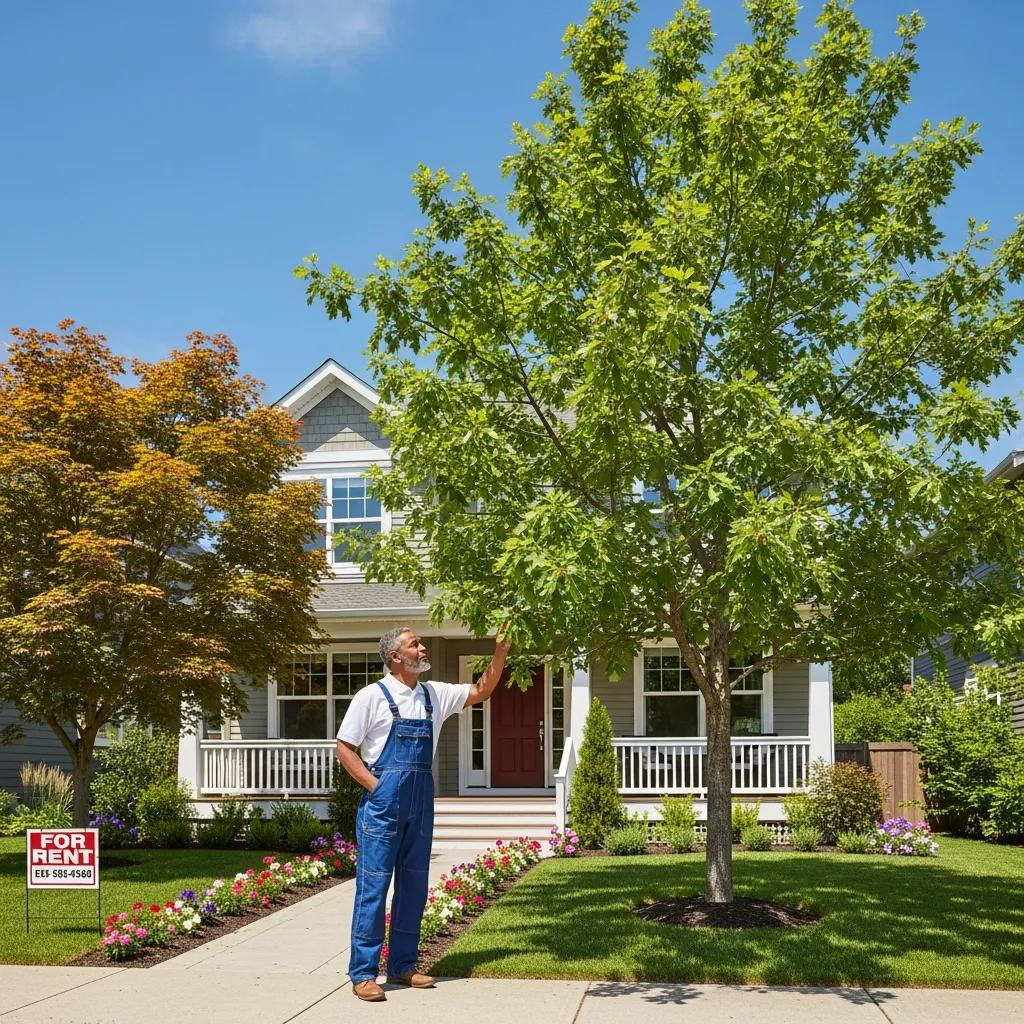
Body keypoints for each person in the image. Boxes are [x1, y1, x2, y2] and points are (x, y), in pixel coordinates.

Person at [336, 625, 511, 1002]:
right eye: (415, 644)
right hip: (382, 805)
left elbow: (482, 690)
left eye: (420, 643)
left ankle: (402, 966)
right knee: (374, 889)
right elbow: (345, 747)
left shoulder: (434, 694)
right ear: (396, 656)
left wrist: (500, 651)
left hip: (420, 803)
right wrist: (375, 786)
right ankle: (364, 973)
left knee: (413, 888)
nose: (422, 647)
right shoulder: (372, 696)